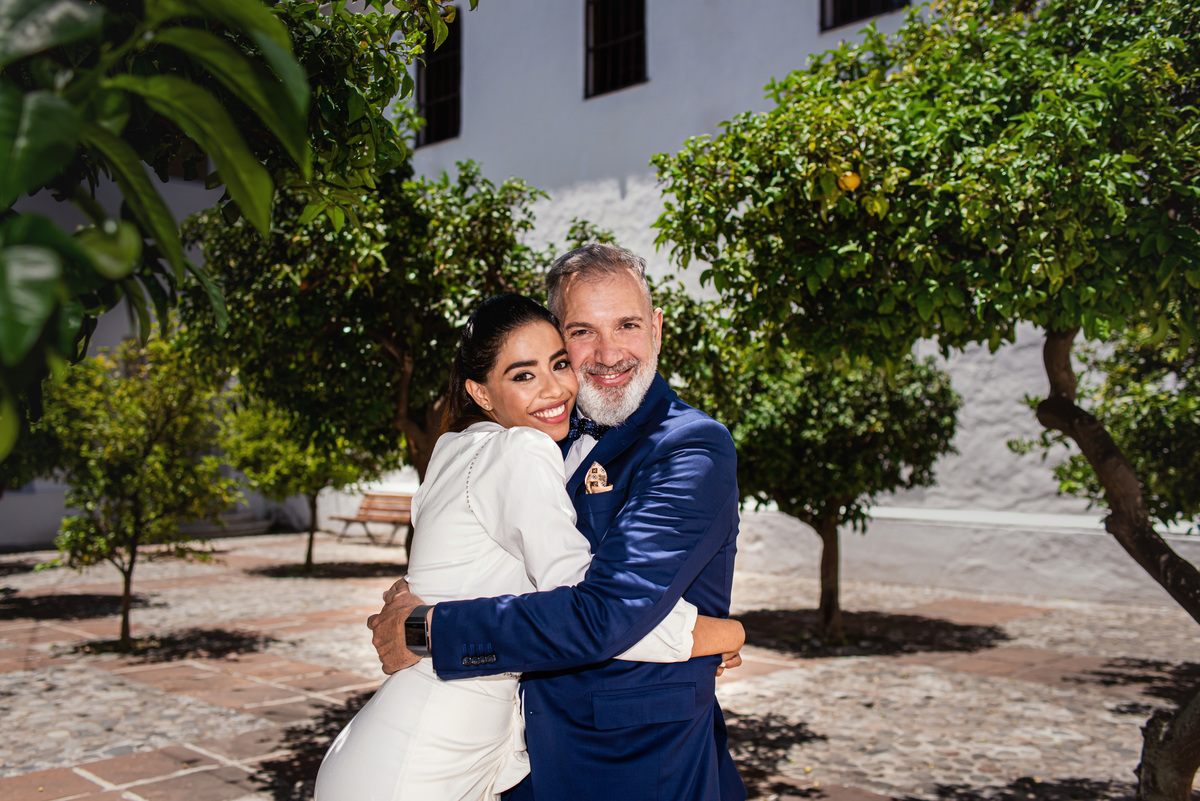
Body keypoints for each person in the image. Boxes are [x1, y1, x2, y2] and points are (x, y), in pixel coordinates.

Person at [314, 294, 744, 801]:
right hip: (424, 763)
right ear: (480, 391)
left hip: (414, 745)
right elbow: (594, 609)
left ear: (656, 327)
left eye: (558, 364)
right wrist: (717, 634)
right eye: (523, 375)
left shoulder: (453, 448)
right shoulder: (523, 449)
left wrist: (421, 625)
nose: (554, 388)